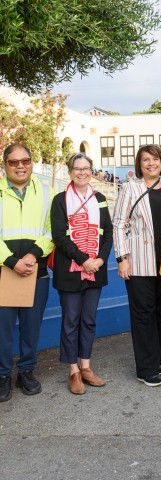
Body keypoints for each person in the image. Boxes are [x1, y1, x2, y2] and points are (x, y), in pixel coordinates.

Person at [113, 145, 161, 387]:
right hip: (140, 263)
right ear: (139, 165)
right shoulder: (130, 188)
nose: (151, 164)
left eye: (155, 159)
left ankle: (160, 358)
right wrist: (122, 258)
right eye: (145, 160)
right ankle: (146, 367)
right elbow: (119, 224)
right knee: (143, 315)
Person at [50, 153, 113, 395]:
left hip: (95, 269)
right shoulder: (60, 200)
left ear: (92, 171)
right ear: (70, 172)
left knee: (88, 319)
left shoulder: (100, 199)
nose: (82, 172)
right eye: (77, 168)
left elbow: (107, 233)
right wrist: (84, 260)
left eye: (87, 168)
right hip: (71, 270)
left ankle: (86, 366)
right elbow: (59, 236)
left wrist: (99, 260)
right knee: (70, 321)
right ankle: (73, 371)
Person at [0, 143, 55, 402]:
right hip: (3, 271)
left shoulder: (47, 193)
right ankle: (2, 374)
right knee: (2, 328)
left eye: (26, 160)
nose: (20, 166)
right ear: (5, 165)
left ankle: (26, 371)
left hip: (36, 270)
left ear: (32, 162)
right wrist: (11, 261)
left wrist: (32, 255)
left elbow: (52, 230)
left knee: (31, 327)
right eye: (14, 162)